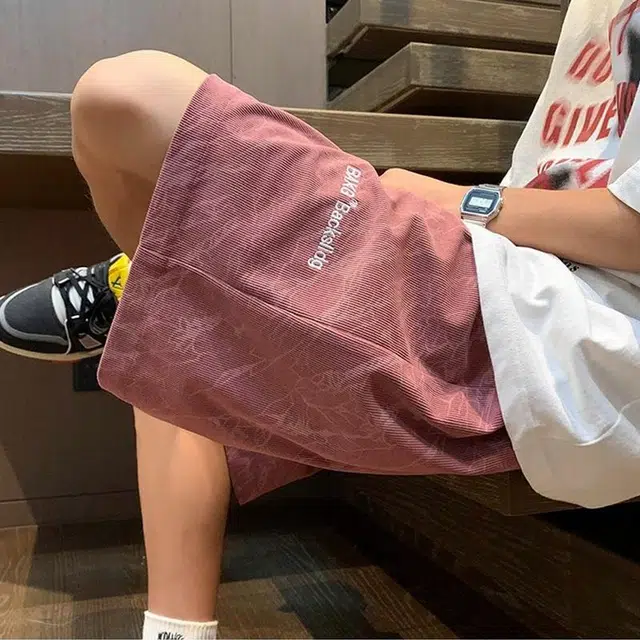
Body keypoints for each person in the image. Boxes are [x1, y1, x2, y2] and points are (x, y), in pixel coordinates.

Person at [2, 0, 640, 637]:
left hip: (567, 330)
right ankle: (153, 279)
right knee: (187, 320)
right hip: (513, 278)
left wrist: (465, 200)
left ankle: (145, 280)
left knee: (123, 96)